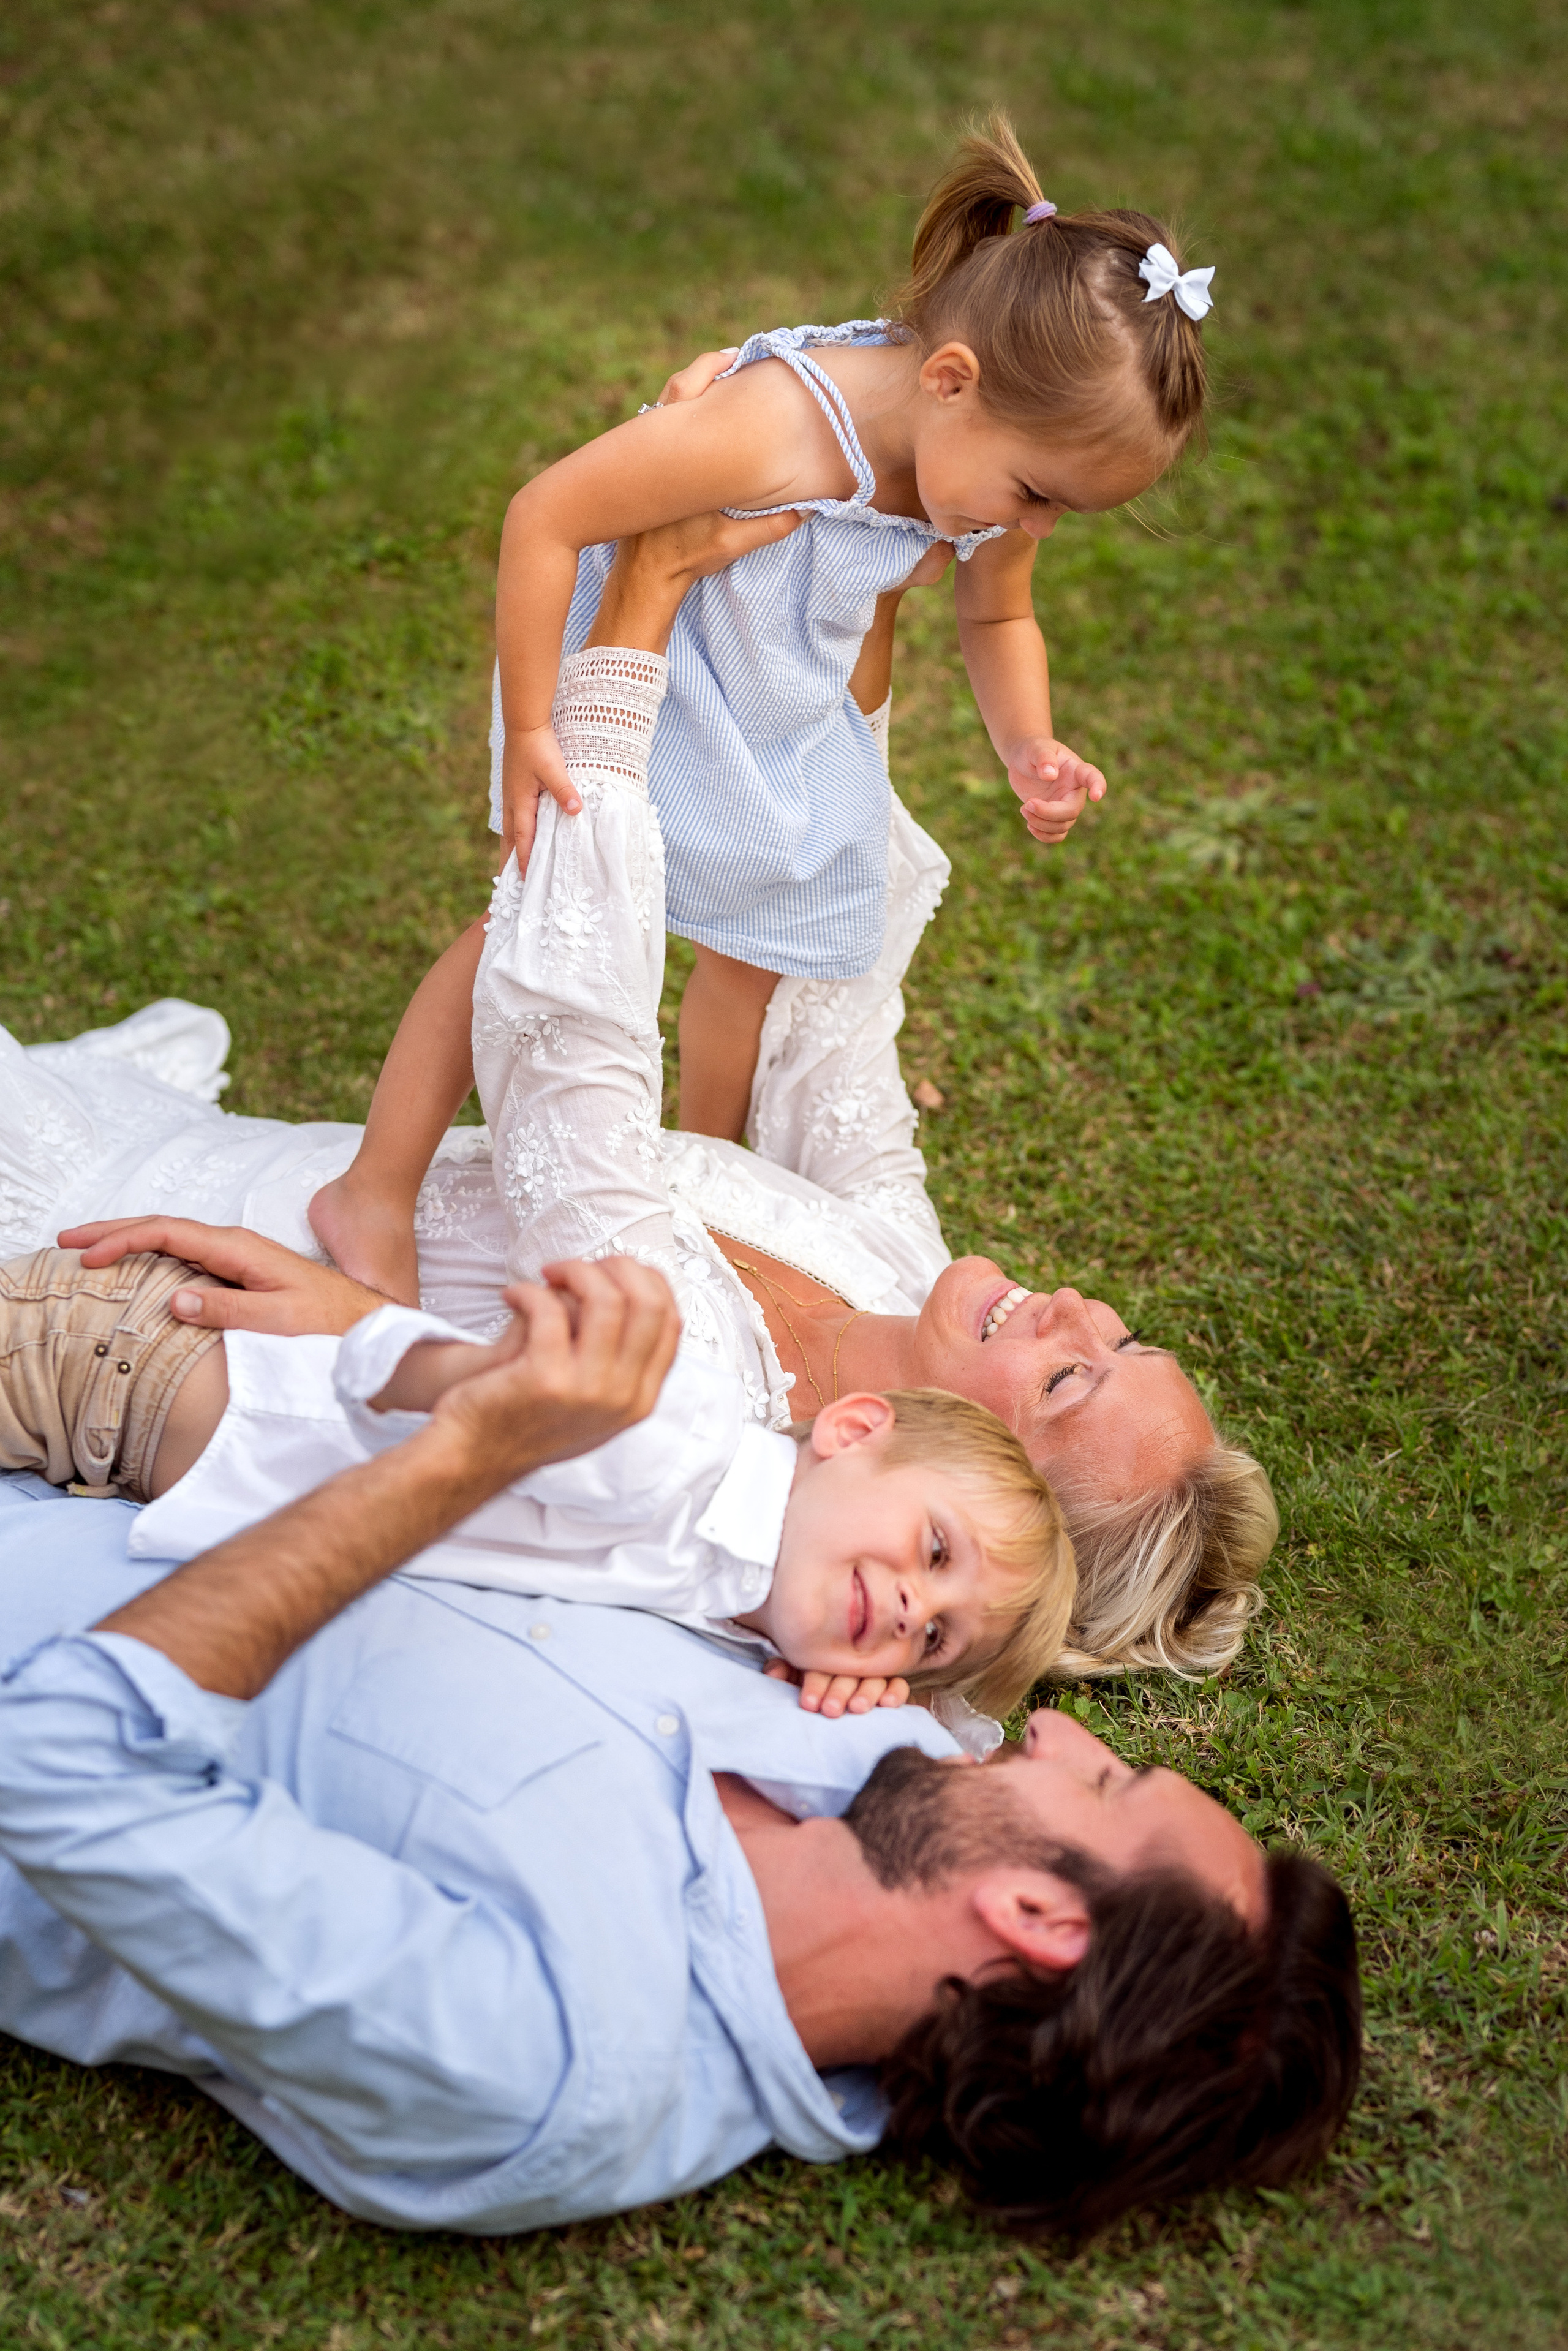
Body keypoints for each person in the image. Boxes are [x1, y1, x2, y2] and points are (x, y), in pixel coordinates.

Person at [0, 505, 1273, 1681]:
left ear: (984, 1500)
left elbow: (569, 1056)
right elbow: (837, 1006)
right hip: (224, 1158)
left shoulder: (697, 1415)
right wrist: (859, 624)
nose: (1072, 1310)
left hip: (122, 1269)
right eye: (1121, 1338)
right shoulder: (898, 1269)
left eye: (1068, 1380)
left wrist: (637, 624)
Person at [0, 1254, 1361, 2238]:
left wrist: (459, 1457)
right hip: (112, 1419)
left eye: (1106, 1782)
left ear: (1032, 1910)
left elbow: (54, 1766)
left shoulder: (545, 2056)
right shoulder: (863, 1732)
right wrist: (375, 1329)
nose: (1064, 1729)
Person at [308, 113, 1216, 1296]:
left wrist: (1028, 742)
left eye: (1060, 514)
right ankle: (373, 1186)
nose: (1031, 527)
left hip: (776, 707)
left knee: (759, 950)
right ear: (951, 381)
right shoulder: (778, 425)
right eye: (1039, 494)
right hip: (633, 677)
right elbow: (546, 515)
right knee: (534, 924)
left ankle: (701, 1172)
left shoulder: (980, 464)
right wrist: (535, 725)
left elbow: (997, 617)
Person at [0, 1239, 1076, 1730]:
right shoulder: (684, 1442)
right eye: (935, 1552)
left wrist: (851, 1683)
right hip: (130, 1361)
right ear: (850, 1429)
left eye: (934, 1636)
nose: (909, 1605)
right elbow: (407, 1372)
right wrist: (473, 1371)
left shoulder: (747, 1608)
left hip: (135, 1448)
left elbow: (951, 1743)